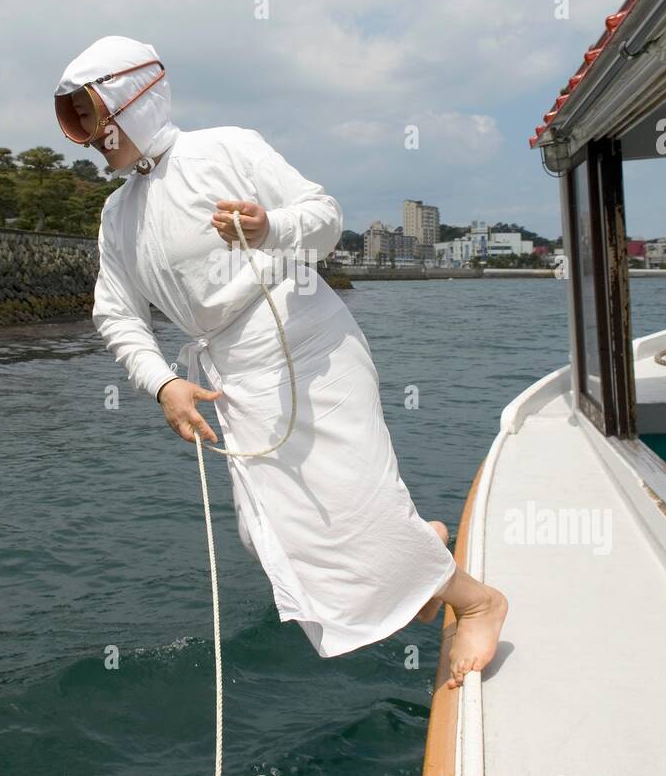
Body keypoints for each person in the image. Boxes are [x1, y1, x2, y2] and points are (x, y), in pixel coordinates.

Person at [54, 35, 507, 686]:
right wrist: (162, 385)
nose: (95, 137)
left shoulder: (226, 148)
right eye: (83, 124)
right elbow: (116, 311)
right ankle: (423, 550)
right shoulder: (116, 215)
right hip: (230, 374)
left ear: (132, 98)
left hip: (305, 342)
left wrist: (270, 230)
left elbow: (324, 218)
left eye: (95, 114)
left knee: (352, 508)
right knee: (275, 535)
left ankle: (479, 602)